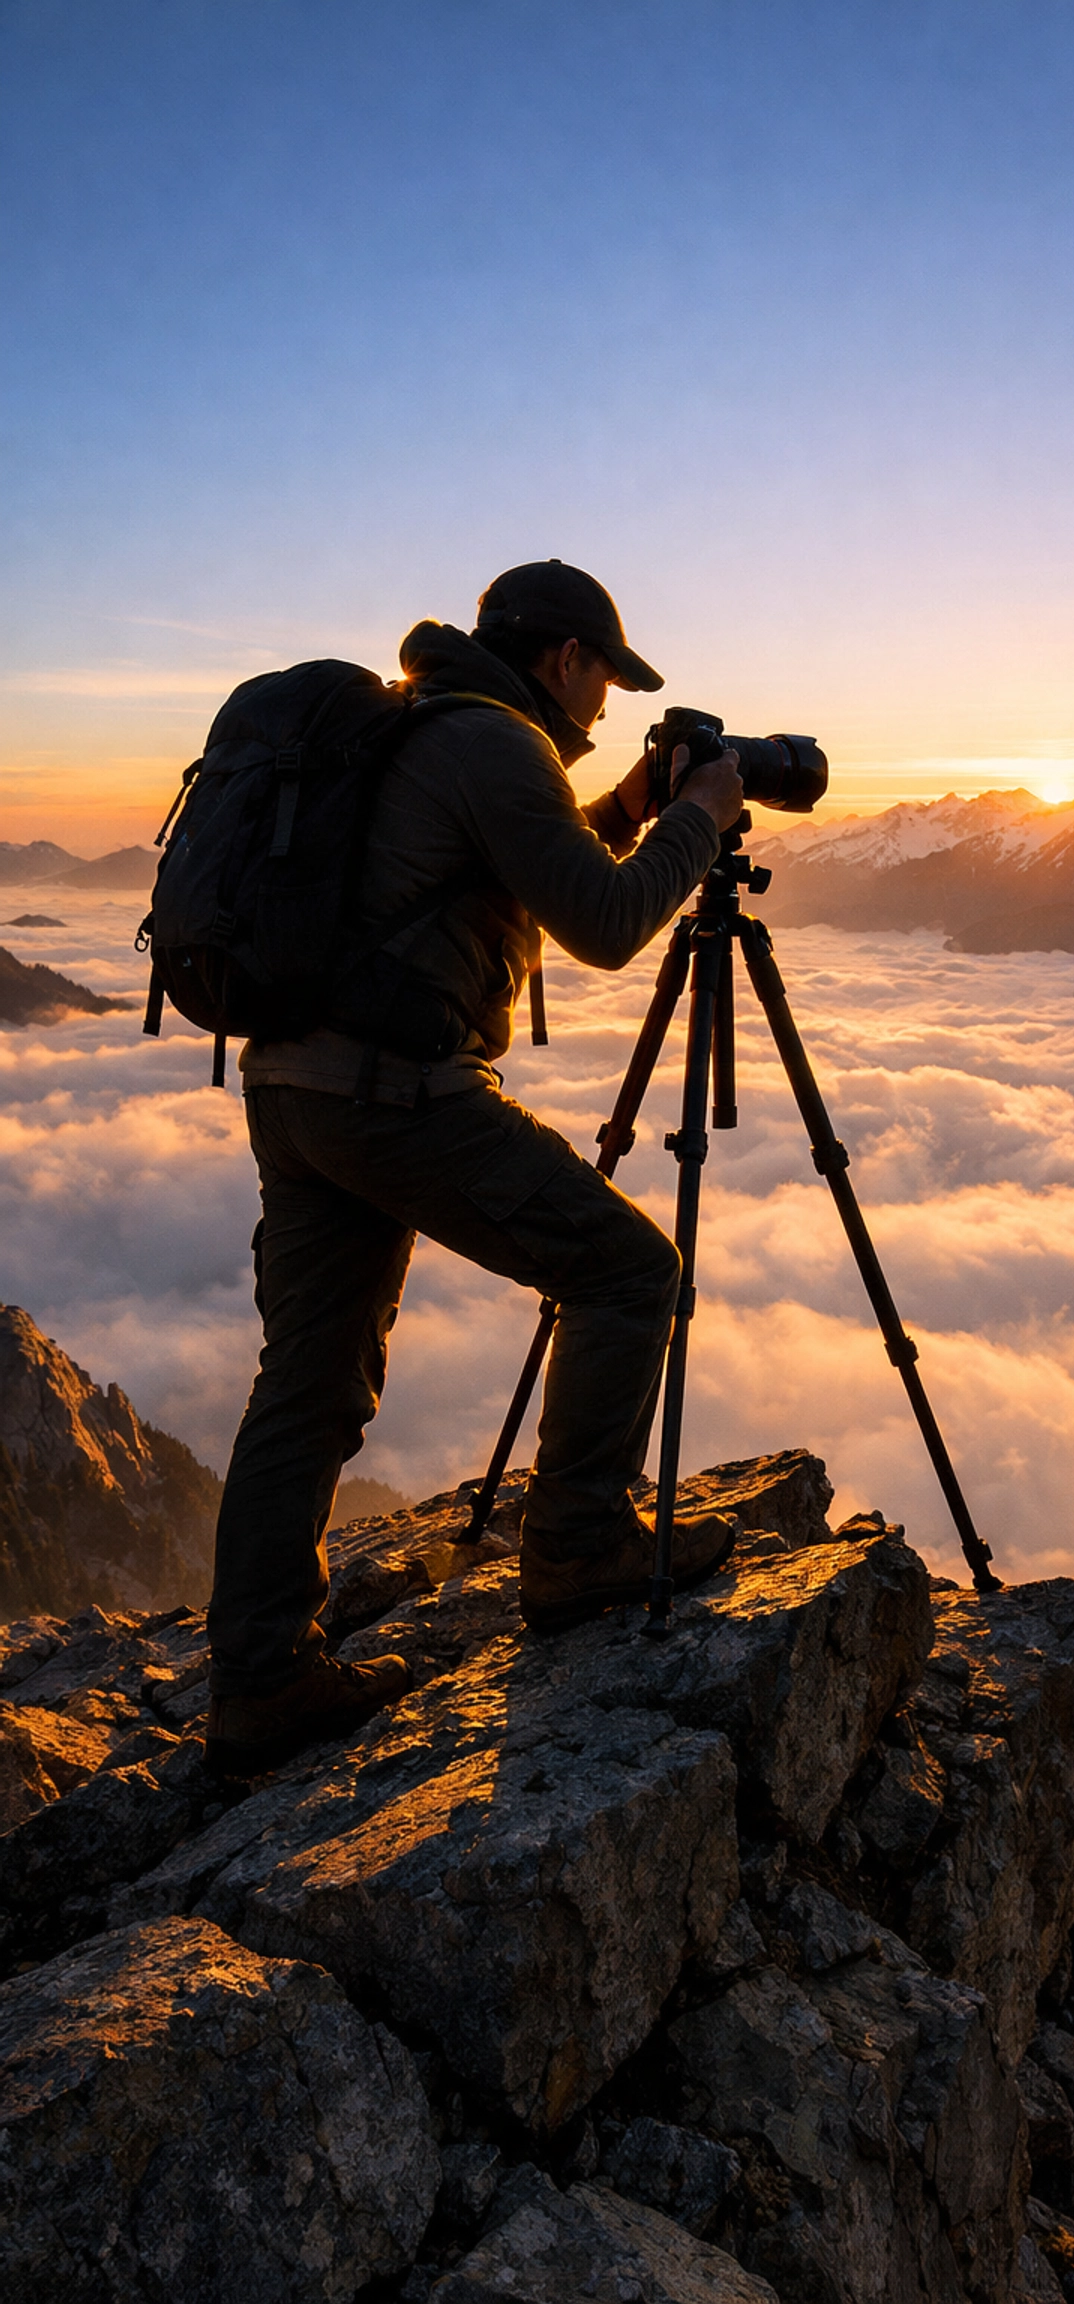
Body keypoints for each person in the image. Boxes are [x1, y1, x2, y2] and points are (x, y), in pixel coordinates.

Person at [203, 560, 746, 1779]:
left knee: (307, 1380)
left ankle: (260, 1683)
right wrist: (699, 817)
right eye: (606, 675)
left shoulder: (431, 723)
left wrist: (627, 805)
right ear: (564, 658)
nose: (607, 703)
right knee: (625, 1272)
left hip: (293, 1089)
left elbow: (522, 868)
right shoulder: (496, 744)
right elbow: (604, 928)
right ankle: (576, 1546)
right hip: (391, 1098)